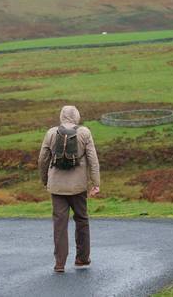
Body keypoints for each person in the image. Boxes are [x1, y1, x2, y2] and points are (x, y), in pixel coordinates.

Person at [38, 105, 100, 273]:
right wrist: (96, 183)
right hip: (78, 186)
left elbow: (43, 159)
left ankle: (59, 264)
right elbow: (92, 160)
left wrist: (45, 180)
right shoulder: (84, 133)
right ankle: (82, 258)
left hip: (57, 186)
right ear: (77, 116)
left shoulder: (51, 133)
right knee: (81, 220)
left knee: (60, 224)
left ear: (61, 116)